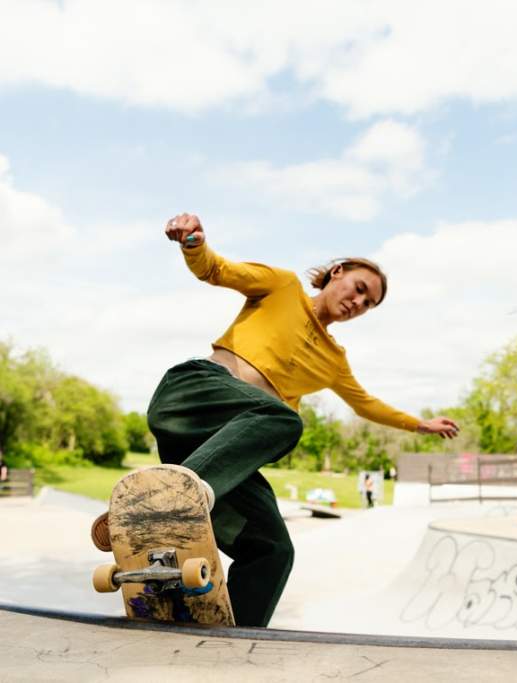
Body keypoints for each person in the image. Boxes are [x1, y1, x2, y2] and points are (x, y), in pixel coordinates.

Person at [92, 213, 459, 627]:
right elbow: (217, 270)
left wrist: (420, 425)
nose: (358, 303)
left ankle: (236, 641)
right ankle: (166, 499)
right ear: (336, 273)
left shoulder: (334, 361)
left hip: (217, 453)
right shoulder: (283, 286)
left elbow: (366, 405)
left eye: (368, 303)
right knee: (284, 419)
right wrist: (193, 244)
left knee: (273, 550)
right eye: (359, 288)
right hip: (191, 397)